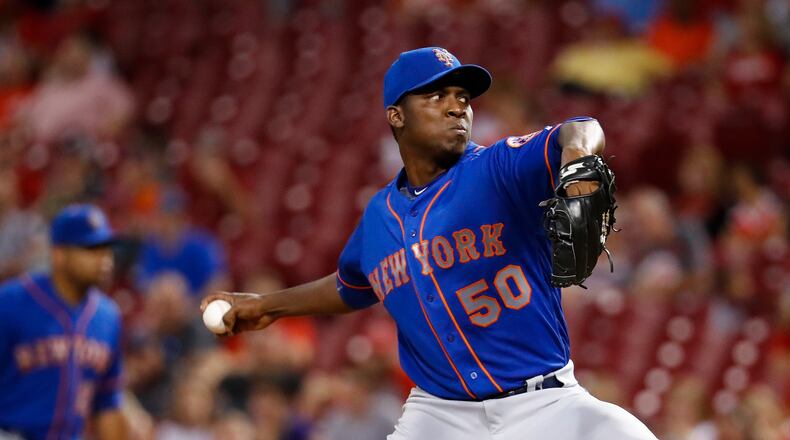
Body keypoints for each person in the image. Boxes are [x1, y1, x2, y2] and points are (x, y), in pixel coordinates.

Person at [202, 47, 657, 439]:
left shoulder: (497, 170)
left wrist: (578, 160)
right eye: (436, 96)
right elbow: (351, 286)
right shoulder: (380, 217)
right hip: (440, 415)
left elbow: (579, 129)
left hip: (545, 404)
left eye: (462, 97)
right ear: (396, 116)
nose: (457, 107)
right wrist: (266, 307)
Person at [0, 204, 127, 440]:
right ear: (59, 255)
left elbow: (107, 403)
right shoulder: (10, 303)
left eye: (106, 249)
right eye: (90, 249)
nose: (104, 259)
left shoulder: (108, 317)